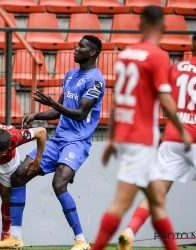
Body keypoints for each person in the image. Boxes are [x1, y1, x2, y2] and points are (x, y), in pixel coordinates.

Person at [91, 5, 192, 250]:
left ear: (139, 26)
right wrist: (181, 129)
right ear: (164, 29)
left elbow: (117, 101)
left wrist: (112, 137)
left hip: (127, 136)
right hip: (140, 140)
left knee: (157, 201)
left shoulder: (125, 54)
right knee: (121, 204)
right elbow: (166, 100)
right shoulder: (157, 55)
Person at [0, 35, 105, 250]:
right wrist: (36, 116)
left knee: (59, 183)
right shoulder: (70, 75)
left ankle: (81, 241)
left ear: (92, 53)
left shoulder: (95, 81)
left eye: (81, 47)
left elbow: (80, 113)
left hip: (77, 143)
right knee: (18, 176)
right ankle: (15, 238)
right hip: (58, 139)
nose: (75, 48)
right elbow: (58, 110)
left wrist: (52, 102)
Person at [117, 34, 196, 250]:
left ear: (192, 45)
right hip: (194, 137)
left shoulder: (177, 68)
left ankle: (130, 231)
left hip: (172, 137)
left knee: (157, 193)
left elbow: (161, 98)